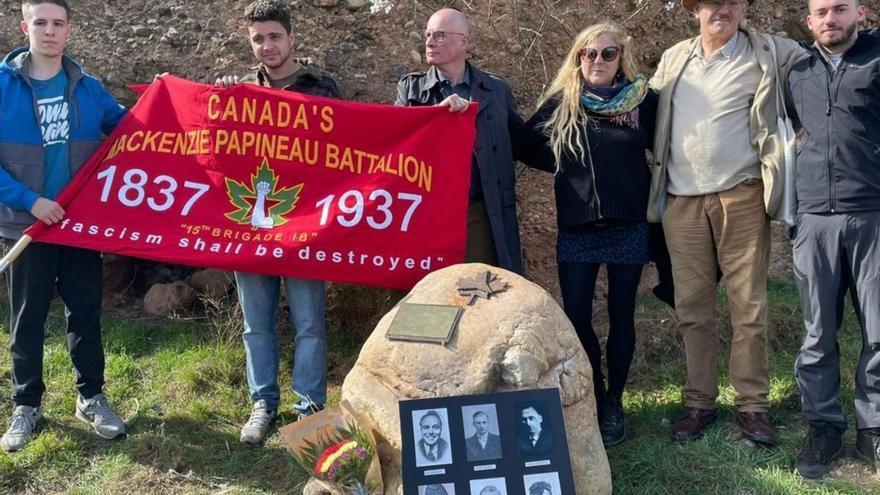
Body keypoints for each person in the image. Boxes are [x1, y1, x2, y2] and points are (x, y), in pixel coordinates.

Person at [648, 0, 805, 445]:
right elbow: (640, 106)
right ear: (695, 10)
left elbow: (825, 64)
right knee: (692, 309)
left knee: (748, 306)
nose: (724, 10)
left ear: (744, 9)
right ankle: (699, 401)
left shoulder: (771, 52)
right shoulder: (675, 58)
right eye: (713, 3)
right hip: (681, 200)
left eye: (733, 3)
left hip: (743, 194)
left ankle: (753, 406)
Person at [519, 22, 657, 447]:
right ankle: (593, 393)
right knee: (577, 317)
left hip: (629, 225)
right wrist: (571, 175)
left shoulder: (644, 102)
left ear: (621, 59)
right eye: (589, 53)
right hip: (577, 228)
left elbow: (667, 148)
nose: (598, 61)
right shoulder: (562, 104)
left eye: (608, 53)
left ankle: (614, 402)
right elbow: (525, 145)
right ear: (578, 59)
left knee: (620, 316)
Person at [0, 0, 128, 453]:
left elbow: (132, 131)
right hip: (27, 226)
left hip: (77, 228)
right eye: (40, 23)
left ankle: (91, 396)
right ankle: (25, 405)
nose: (49, 31)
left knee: (86, 313)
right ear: (24, 27)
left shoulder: (88, 89)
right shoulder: (2, 88)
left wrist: (169, 100)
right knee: (26, 318)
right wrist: (29, 200)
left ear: (69, 31)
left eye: (57, 23)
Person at [215, 0, 339, 445]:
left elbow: (348, 152)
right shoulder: (239, 89)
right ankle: (262, 403)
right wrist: (220, 97)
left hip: (305, 225)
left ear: (291, 38)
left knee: (309, 322)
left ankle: (309, 408)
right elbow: (215, 149)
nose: (267, 46)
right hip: (250, 223)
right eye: (258, 39)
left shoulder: (322, 89)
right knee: (256, 322)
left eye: (274, 36)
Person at [784, 0, 880, 480]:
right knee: (818, 334)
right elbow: (790, 131)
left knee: (879, 331)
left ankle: (873, 431)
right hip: (815, 219)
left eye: (840, 9)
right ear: (809, 21)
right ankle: (823, 427)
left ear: (860, 13)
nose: (830, 20)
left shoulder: (878, 57)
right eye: (821, 12)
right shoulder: (797, 68)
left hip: (873, 215)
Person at [395, 8, 523, 274]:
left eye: (439, 35)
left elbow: (522, 142)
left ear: (464, 41)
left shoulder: (496, 90)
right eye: (428, 34)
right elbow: (398, 143)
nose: (429, 42)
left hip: (478, 213)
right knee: (429, 298)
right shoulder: (410, 89)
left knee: (480, 291)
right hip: (427, 215)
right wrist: (436, 118)